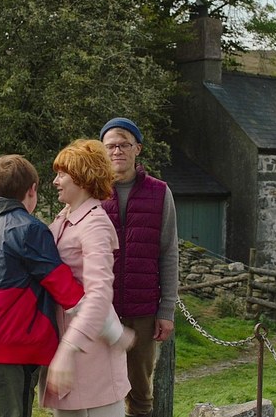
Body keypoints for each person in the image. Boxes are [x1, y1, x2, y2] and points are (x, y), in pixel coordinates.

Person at [0, 154, 86, 417]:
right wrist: (100, 311)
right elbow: (63, 287)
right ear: (32, 189)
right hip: (9, 348)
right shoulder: (30, 229)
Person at [40, 139, 132, 417]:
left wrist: (68, 349)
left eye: (62, 174)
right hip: (66, 354)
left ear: (81, 177)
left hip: (92, 356)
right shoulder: (62, 219)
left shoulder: (95, 224)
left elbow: (99, 296)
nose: (55, 181)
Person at [99, 118, 179, 417]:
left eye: (124, 144)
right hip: (101, 309)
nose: (117, 151)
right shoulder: (92, 191)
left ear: (138, 149)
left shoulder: (160, 192)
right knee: (100, 387)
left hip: (143, 310)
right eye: (110, 146)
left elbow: (169, 253)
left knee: (140, 392)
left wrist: (166, 310)